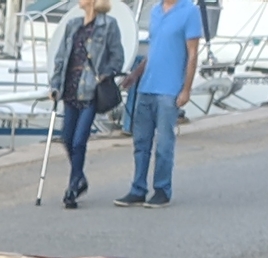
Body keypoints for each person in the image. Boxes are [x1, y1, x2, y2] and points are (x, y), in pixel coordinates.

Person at [118, 0, 202, 206]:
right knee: (141, 142)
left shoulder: (190, 11)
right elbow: (153, 51)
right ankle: (138, 189)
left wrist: (186, 89)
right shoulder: (155, 11)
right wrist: (135, 75)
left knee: (164, 144)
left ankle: (162, 190)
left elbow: (192, 54)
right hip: (147, 86)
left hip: (169, 89)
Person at [47, 0, 128, 209]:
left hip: (91, 91)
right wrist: (55, 85)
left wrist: (105, 74)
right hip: (70, 89)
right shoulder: (73, 24)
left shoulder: (109, 25)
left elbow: (118, 57)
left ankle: (73, 187)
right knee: (66, 138)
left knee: (78, 141)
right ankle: (80, 177)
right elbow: (61, 58)